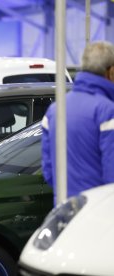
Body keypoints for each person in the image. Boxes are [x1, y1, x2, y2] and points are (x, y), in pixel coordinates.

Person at [42, 41, 114, 203]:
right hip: (99, 209)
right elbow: (112, 173)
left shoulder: (54, 110)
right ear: (111, 71)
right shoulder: (107, 111)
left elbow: (48, 171)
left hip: (64, 208)